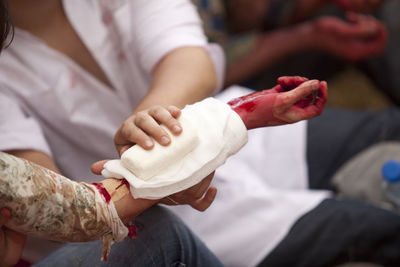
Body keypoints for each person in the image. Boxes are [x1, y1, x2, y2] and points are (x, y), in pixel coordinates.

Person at [2, 1, 400, 267]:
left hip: (224, 134)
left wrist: (153, 126)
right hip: (182, 212)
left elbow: (191, 58)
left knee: (388, 129)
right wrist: (160, 167)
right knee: (376, 229)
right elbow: (53, 202)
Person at [192, 0, 400, 105]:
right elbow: (197, 73)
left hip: (272, 35)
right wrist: (307, 36)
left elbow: (250, 15)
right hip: (219, 88)